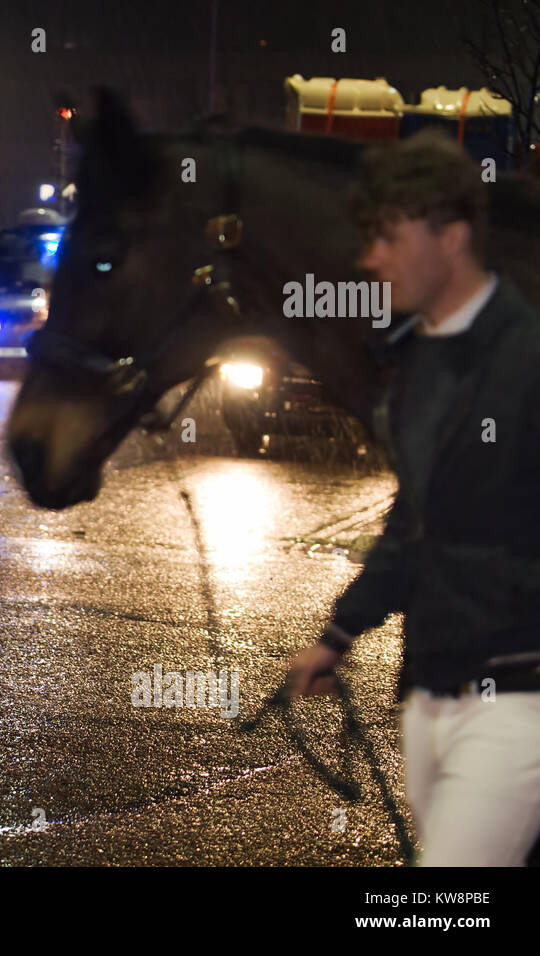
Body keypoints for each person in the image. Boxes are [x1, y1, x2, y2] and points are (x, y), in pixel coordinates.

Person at [288, 130, 540, 866]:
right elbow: (414, 517)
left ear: (452, 237)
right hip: (429, 692)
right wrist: (339, 634)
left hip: (517, 696)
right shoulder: (420, 361)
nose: (371, 260)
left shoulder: (529, 359)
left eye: (389, 238)